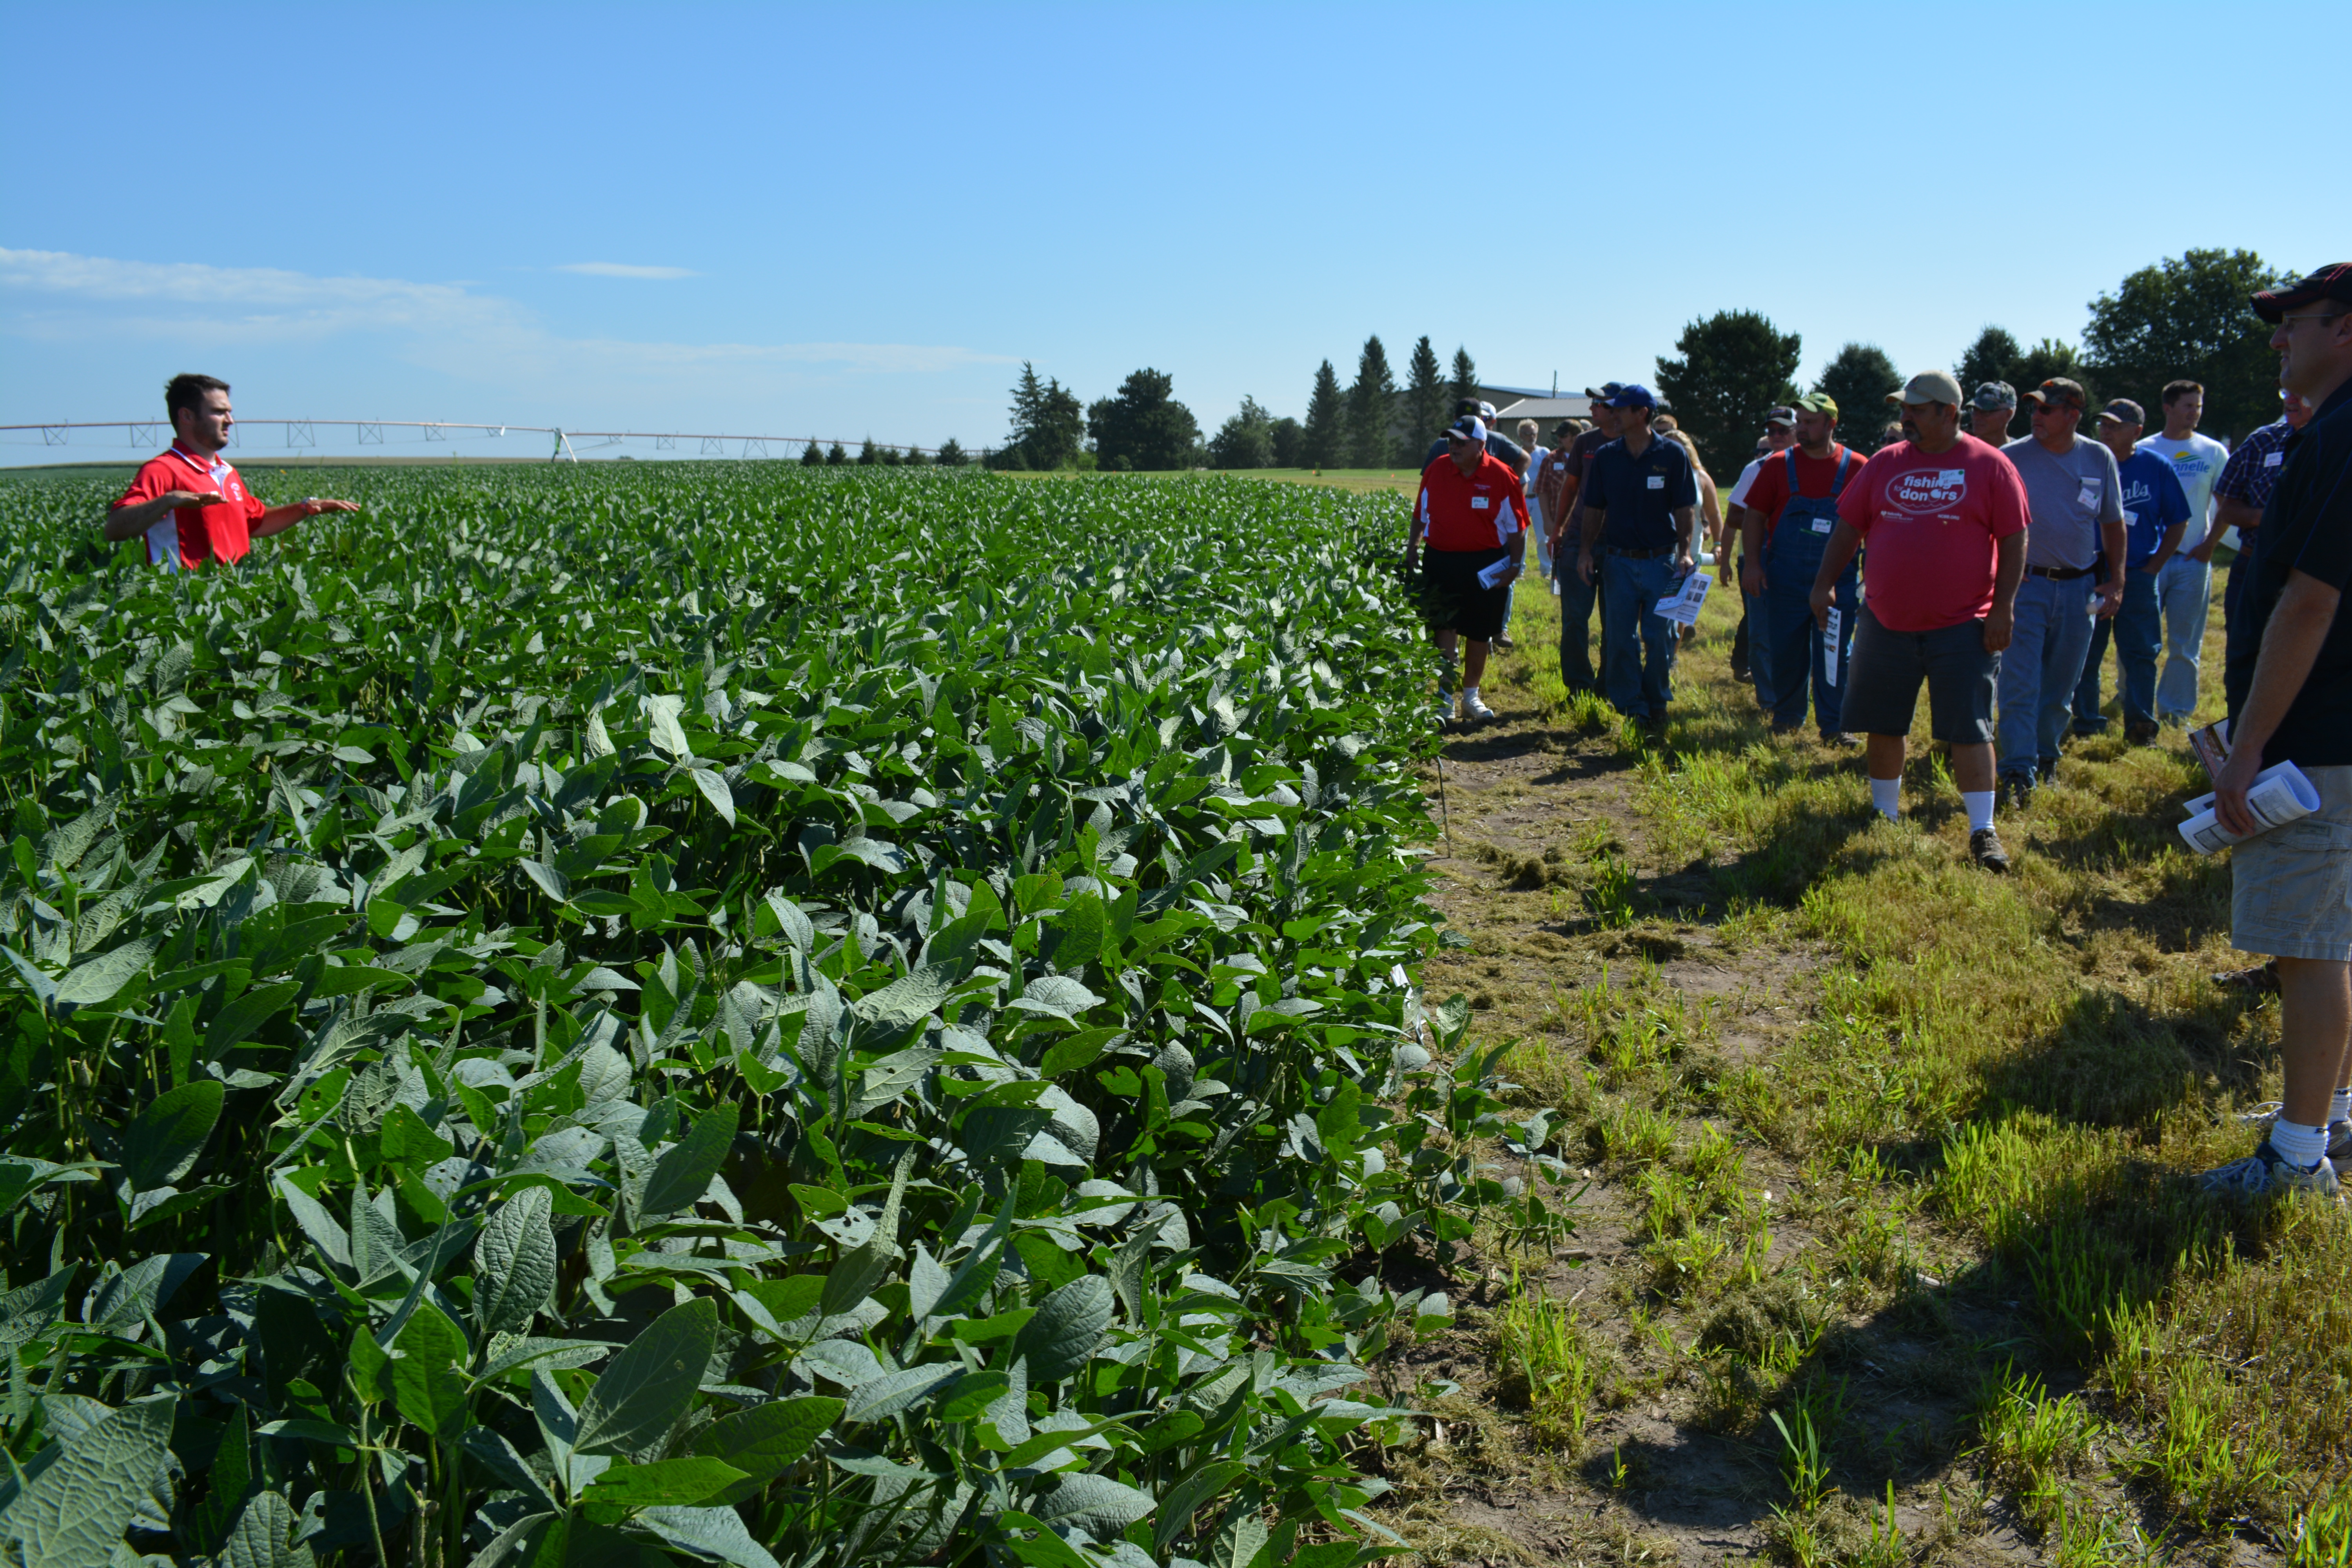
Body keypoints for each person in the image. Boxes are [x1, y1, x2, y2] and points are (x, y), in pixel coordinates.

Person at [2200, 262, 2352, 1198]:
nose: (2275, 340)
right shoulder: (2328, 430)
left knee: (2308, 948)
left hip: (2319, 734)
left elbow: (2308, 601)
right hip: (2336, 729)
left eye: (2293, 324)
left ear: (2346, 331)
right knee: (2333, 936)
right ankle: (2327, 1119)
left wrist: (2248, 745)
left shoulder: (2343, 435)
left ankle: (2297, 1162)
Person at [1808, 370, 2029, 870]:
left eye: (1917, 409)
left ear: (1949, 413)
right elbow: (1848, 529)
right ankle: (1884, 816)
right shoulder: (1886, 463)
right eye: (1904, 408)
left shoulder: (1991, 466)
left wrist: (2003, 606)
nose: (1905, 417)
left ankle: (1983, 832)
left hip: (1964, 623)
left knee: (1971, 729)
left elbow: (2015, 539)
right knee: (1884, 722)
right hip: (1886, 619)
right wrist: (1823, 584)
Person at [1994, 378, 2126, 809]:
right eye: (2033, 408)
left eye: (2046, 410)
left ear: (2073, 415)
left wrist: (2117, 579)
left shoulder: (2097, 456)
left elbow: (2112, 522)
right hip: (2025, 585)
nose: (2036, 416)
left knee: (2060, 685)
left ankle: (2046, 755)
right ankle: (2016, 766)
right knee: (2019, 681)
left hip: (2079, 588)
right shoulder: (2010, 458)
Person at [104, 374, 359, 567]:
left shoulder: (226, 471)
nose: (230, 421)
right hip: (184, 599)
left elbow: (254, 523)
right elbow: (115, 528)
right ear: (187, 416)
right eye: (219, 412)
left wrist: (305, 508)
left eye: (229, 412)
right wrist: (169, 501)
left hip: (232, 594)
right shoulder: (162, 470)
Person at [1739, 392, 1862, 742]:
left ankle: (1836, 725)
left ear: (1831, 424)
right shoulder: (1778, 464)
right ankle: (1788, 716)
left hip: (1840, 578)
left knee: (1835, 652)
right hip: (1786, 575)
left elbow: (1874, 522)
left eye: (1810, 423)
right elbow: (1755, 517)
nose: (1801, 429)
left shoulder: (1858, 467)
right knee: (1787, 647)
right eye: (1800, 423)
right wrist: (1753, 565)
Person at [1572, 385, 1697, 730]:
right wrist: (1586, 552)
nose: (1613, 415)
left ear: (1641, 413)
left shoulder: (1672, 455)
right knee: (1621, 637)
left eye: (1620, 410)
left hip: (1662, 562)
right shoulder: (1607, 457)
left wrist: (1684, 552)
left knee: (1661, 636)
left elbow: (1684, 508)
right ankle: (1632, 707)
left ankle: (1657, 700)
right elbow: (1595, 508)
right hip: (1618, 563)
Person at [2071, 400, 2190, 743]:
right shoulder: (2086, 461)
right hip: (2090, 573)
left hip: (2137, 573)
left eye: (2114, 426)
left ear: (2137, 431)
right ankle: (2086, 722)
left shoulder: (2156, 466)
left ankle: (2140, 726)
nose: (2105, 431)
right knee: (2086, 651)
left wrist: (2154, 567)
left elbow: (2178, 521)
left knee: (2140, 653)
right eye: (2103, 425)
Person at [1405, 414, 1531, 726]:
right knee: (1444, 628)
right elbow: (1420, 512)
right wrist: (1412, 547)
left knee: (1479, 631)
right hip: (1441, 561)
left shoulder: (1503, 476)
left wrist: (1515, 566)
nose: (1454, 446)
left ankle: (1471, 697)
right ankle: (1445, 699)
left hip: (1485, 564)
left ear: (1481, 445)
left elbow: (1517, 528)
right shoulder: (1437, 470)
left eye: (1462, 442)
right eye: (1451, 441)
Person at [2136, 380, 2232, 724]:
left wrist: (2210, 545)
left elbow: (2227, 504)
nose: (2195, 412)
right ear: (2168, 408)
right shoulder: (2145, 449)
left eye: (2199, 406)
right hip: (2150, 560)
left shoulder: (2213, 452)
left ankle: (2176, 711)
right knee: (2140, 638)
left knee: (2185, 643)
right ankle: (2132, 697)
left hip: (2193, 560)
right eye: (2188, 406)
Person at [2211, 388, 2315, 642]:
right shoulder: (2262, 441)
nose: (2290, 400)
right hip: (2253, 566)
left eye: (2301, 395)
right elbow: (2228, 506)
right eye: (2286, 393)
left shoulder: (2338, 442)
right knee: (2242, 654)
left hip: (2310, 573)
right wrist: (2263, 517)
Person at [1551, 391, 1624, 695]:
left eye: (1599, 404)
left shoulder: (1635, 443)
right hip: (1578, 539)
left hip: (1620, 544)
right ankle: (1579, 686)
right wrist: (1557, 530)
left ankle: (1608, 685)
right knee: (1575, 620)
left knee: (1616, 623)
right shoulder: (1585, 442)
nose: (1592, 408)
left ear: (1618, 409)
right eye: (1592, 403)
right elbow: (1570, 488)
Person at [1724, 407, 1798, 687]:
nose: (1776, 436)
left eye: (1783, 430)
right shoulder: (1755, 469)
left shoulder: (1814, 465)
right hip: (1764, 557)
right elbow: (1733, 516)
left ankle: (1795, 685)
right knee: (1761, 630)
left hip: (1802, 558)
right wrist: (1775, 522)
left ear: (1797, 430)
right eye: (1771, 431)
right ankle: (1769, 696)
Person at [1968, 381, 2017, 445]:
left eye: (1985, 412)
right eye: (1974, 411)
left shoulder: (2023, 453)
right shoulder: (1961, 453)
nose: (1976, 417)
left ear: (2008, 415)